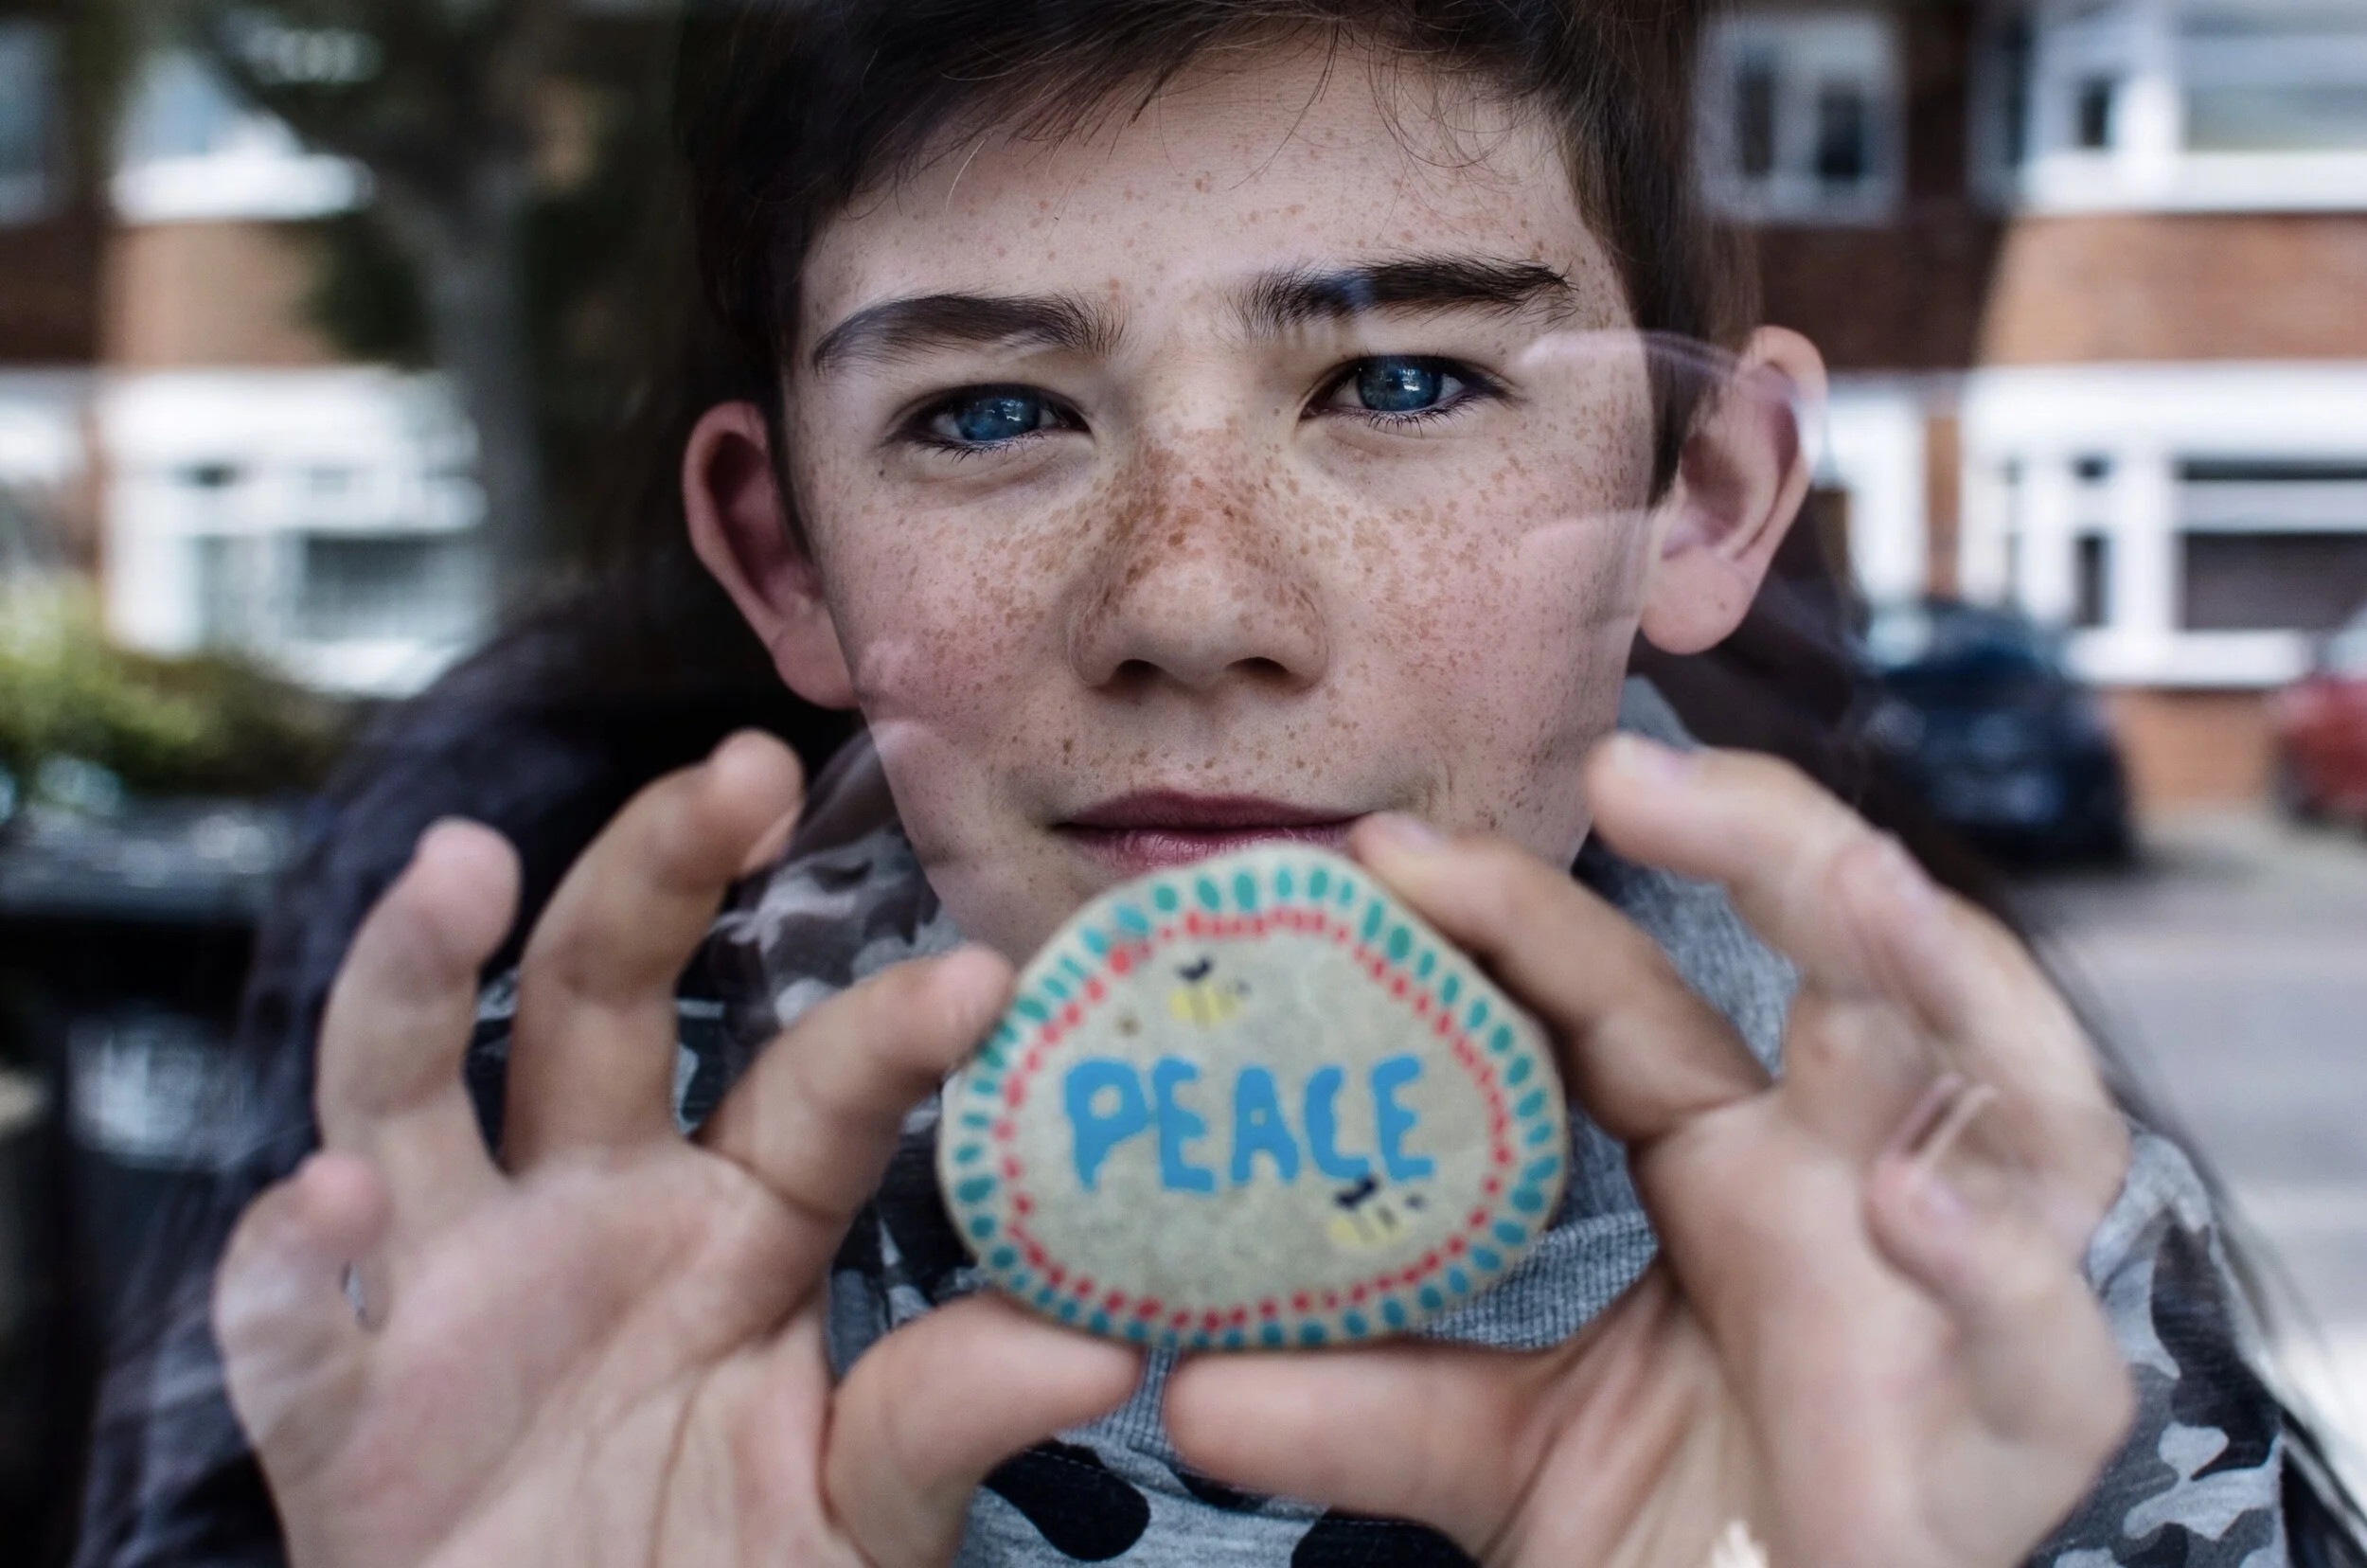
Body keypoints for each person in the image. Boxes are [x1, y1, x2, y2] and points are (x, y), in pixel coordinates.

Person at [76, 3, 2358, 1565]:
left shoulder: (1965, 1238)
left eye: (1396, 382)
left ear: (1698, 496)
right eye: (986, 413)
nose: (1189, 599)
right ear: (789, 557)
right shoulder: (509, 1232)